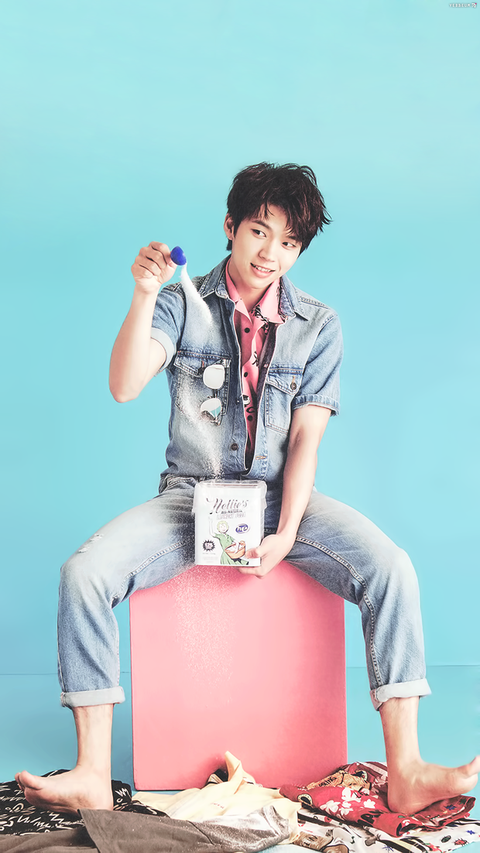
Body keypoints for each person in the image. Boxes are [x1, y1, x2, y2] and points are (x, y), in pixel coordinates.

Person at [16, 163, 479, 816]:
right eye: (260, 232)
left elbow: (307, 441)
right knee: (83, 574)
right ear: (231, 226)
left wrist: (286, 532)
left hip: (281, 499)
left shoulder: (318, 324)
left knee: (392, 568)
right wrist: (144, 294)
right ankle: (92, 770)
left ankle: (405, 768)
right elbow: (123, 385)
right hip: (190, 499)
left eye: (289, 242)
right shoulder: (181, 303)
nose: (271, 254)